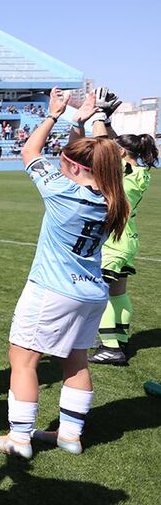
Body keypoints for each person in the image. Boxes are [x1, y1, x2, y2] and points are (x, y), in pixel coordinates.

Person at [0, 89, 129, 458]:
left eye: (66, 163)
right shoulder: (113, 197)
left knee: (24, 359)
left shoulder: (63, 191)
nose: (61, 166)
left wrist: (53, 116)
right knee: (75, 361)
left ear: (76, 169)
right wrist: (82, 123)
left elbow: (30, 153)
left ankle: (19, 437)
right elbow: (90, 160)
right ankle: (70, 435)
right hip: (91, 292)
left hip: (52, 290)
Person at [88, 118, 157, 365]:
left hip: (115, 239)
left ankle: (110, 348)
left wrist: (100, 121)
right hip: (129, 237)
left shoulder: (122, 172)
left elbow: (104, 148)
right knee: (118, 293)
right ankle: (120, 340)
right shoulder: (140, 170)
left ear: (121, 153)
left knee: (102, 293)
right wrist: (107, 121)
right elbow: (118, 146)